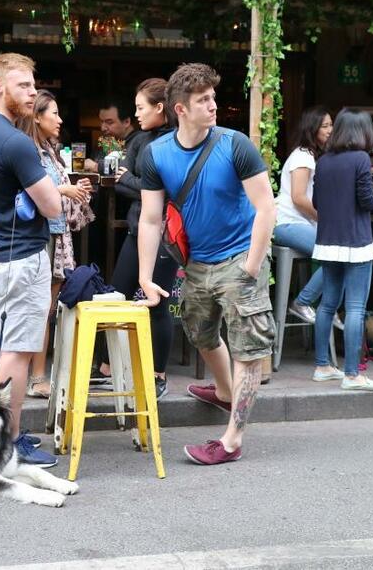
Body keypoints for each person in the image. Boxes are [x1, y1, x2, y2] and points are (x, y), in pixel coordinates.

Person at [137, 63, 276, 465]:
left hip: (240, 256)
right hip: (197, 261)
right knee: (199, 331)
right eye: (203, 100)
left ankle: (232, 440)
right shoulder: (156, 154)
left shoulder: (235, 144)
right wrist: (146, 276)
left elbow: (265, 207)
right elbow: (150, 218)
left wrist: (251, 267)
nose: (214, 105)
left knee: (248, 350)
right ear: (180, 109)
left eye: (213, 97)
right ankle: (225, 391)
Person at [0, 53, 62, 468]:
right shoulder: (16, 141)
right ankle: (7, 442)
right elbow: (54, 206)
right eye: (24, 85)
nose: (32, 92)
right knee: (17, 352)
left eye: (32, 83)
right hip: (22, 258)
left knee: (14, 348)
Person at [311, 109, 373, 391]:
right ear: (362, 132)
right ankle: (352, 374)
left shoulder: (323, 161)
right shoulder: (361, 159)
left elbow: (316, 201)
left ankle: (323, 366)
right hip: (356, 244)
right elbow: (368, 203)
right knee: (355, 308)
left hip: (326, 242)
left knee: (327, 305)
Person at [15, 90, 92, 399]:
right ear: (37, 116)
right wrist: (64, 189)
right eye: (54, 114)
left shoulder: (49, 149)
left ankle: (38, 375)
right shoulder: (28, 150)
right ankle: (35, 378)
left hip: (55, 233)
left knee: (47, 308)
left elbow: (53, 190)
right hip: (41, 235)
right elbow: (30, 190)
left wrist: (74, 188)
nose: (60, 120)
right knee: (40, 308)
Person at [105, 78, 177, 399]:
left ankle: (158, 374)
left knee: (156, 304)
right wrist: (139, 183)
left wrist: (135, 181)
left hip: (165, 234)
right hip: (137, 229)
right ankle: (108, 366)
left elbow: (160, 188)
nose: (136, 115)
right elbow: (120, 183)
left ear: (160, 107)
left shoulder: (175, 141)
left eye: (140, 108)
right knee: (116, 295)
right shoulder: (139, 141)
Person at [272, 105, 344, 334]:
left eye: (332, 124)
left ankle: (328, 309)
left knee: (342, 252)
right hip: (287, 224)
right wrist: (324, 220)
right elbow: (299, 198)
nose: (331, 130)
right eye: (325, 126)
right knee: (336, 253)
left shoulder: (314, 157)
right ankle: (303, 302)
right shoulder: (303, 157)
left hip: (301, 224)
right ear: (312, 129)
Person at [83, 99, 138, 173]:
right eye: (101, 122)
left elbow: (126, 167)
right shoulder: (108, 143)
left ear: (126, 122)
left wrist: (96, 167)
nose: (103, 128)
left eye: (109, 122)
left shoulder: (140, 141)